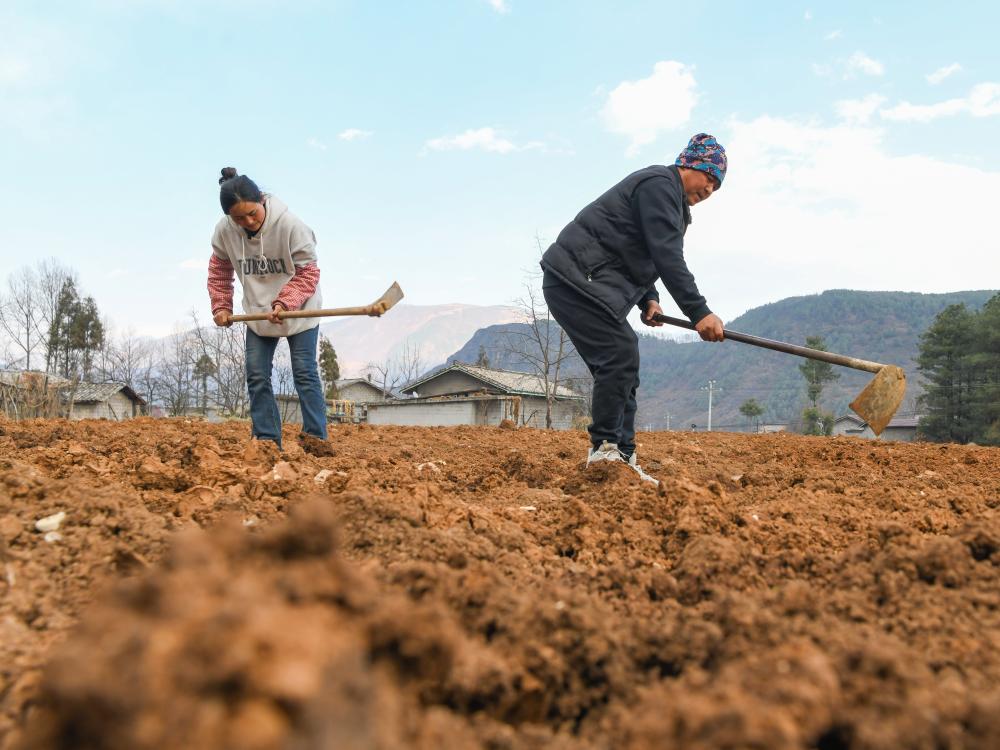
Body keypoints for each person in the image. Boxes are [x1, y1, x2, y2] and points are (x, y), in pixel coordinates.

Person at [540, 133, 727, 483]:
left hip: (584, 280)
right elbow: (667, 256)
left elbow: (638, 252)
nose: (710, 190)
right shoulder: (660, 186)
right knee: (620, 353)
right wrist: (699, 312)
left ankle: (622, 455)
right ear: (690, 164)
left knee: (624, 363)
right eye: (709, 178)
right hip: (574, 277)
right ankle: (606, 449)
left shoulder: (668, 197)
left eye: (717, 187)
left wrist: (649, 298)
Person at [207, 167, 328, 450]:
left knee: (304, 372)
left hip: (300, 311)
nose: (248, 221)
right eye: (239, 218)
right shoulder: (224, 232)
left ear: (261, 200)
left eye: (253, 213)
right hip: (258, 311)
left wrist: (285, 302)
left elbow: (308, 273)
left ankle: (315, 440)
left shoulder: (291, 226)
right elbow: (219, 271)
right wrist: (220, 306)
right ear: (229, 217)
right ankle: (266, 439)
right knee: (257, 373)